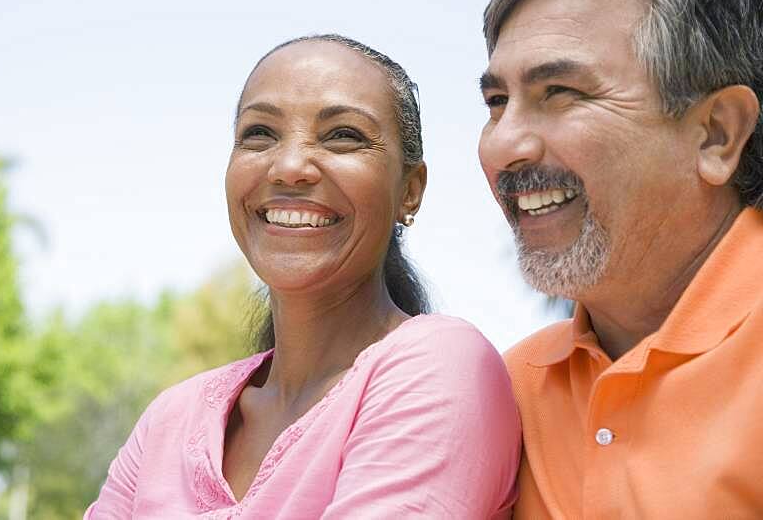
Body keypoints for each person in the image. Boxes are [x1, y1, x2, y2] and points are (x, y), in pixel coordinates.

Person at [87, 34, 520, 518]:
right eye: (260, 134)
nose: (289, 166)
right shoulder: (170, 419)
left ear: (410, 191)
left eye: (342, 135)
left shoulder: (441, 366)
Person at [478, 0, 763, 517]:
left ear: (716, 134)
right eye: (497, 101)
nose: (503, 146)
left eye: (561, 92)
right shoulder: (510, 389)